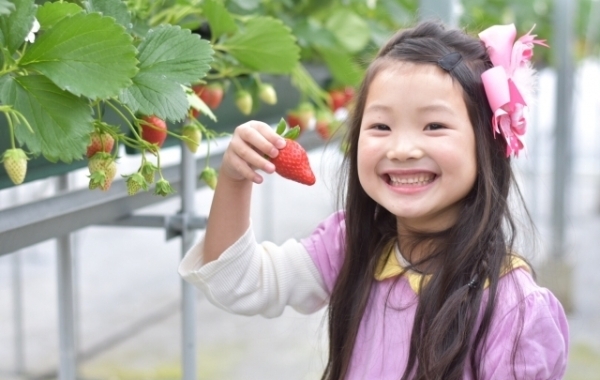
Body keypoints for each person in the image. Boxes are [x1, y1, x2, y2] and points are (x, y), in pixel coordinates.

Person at [179, 20, 569, 380]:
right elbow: (239, 282)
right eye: (380, 126)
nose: (401, 149)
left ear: (486, 141)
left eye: (434, 126)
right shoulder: (351, 245)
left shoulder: (513, 311)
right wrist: (233, 179)